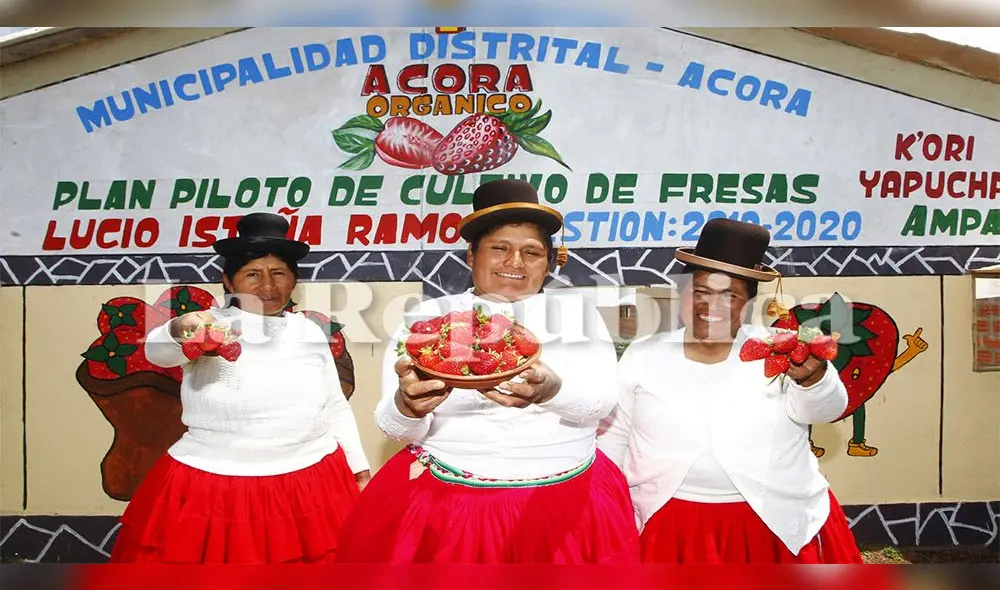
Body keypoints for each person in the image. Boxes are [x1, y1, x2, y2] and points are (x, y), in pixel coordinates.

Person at [336, 179, 640, 563]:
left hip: (564, 502)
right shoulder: (428, 320)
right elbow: (394, 428)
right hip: (450, 508)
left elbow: (599, 406)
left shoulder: (578, 315)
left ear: (549, 263)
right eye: (499, 248)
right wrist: (407, 406)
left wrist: (552, 392)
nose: (515, 263)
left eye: (532, 252)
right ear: (470, 255)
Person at [109, 212, 371, 564]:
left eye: (278, 273)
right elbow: (159, 351)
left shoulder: (308, 331)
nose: (267, 285)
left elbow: (335, 405)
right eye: (253, 274)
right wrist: (180, 328)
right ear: (228, 282)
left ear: (294, 280)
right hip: (214, 483)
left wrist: (359, 469)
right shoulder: (210, 325)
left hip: (312, 481)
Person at [598, 218, 863, 564]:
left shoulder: (779, 352)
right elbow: (616, 436)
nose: (711, 306)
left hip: (772, 526)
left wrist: (813, 379)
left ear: (749, 303)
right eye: (701, 291)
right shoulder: (643, 354)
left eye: (730, 295)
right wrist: (607, 509)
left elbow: (826, 410)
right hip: (666, 528)